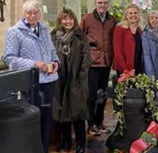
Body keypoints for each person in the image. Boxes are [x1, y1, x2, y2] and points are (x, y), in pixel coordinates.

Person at [2, 1, 59, 153]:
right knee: (32, 122)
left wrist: (55, 62)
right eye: (29, 13)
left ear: (40, 13)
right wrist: (35, 64)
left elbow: (52, 52)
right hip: (30, 84)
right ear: (24, 14)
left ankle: (45, 149)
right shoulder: (14, 32)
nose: (33, 15)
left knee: (47, 121)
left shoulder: (45, 29)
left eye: (36, 12)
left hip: (49, 82)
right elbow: (9, 58)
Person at [51, 7, 91, 153]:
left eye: (70, 18)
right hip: (60, 80)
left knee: (78, 113)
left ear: (74, 20)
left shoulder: (80, 36)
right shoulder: (54, 36)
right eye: (64, 18)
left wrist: (81, 75)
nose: (67, 21)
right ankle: (66, 142)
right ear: (60, 21)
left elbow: (86, 58)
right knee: (63, 113)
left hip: (76, 80)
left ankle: (81, 144)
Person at [80, 0, 116, 136]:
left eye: (105, 3)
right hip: (92, 63)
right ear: (95, 4)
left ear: (108, 5)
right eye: (99, 2)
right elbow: (80, 36)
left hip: (106, 63)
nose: (102, 5)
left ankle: (99, 122)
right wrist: (90, 43)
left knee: (103, 94)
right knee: (92, 95)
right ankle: (90, 124)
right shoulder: (87, 19)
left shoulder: (112, 20)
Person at [113, 3, 143, 75]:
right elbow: (118, 52)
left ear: (138, 15)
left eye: (135, 13)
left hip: (138, 68)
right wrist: (125, 70)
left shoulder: (140, 30)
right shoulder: (119, 29)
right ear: (126, 15)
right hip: (124, 69)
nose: (133, 15)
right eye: (130, 13)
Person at [142, 10, 158, 80]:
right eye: (152, 18)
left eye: (156, 18)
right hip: (153, 66)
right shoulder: (145, 34)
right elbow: (146, 55)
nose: (154, 20)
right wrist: (150, 73)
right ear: (148, 20)